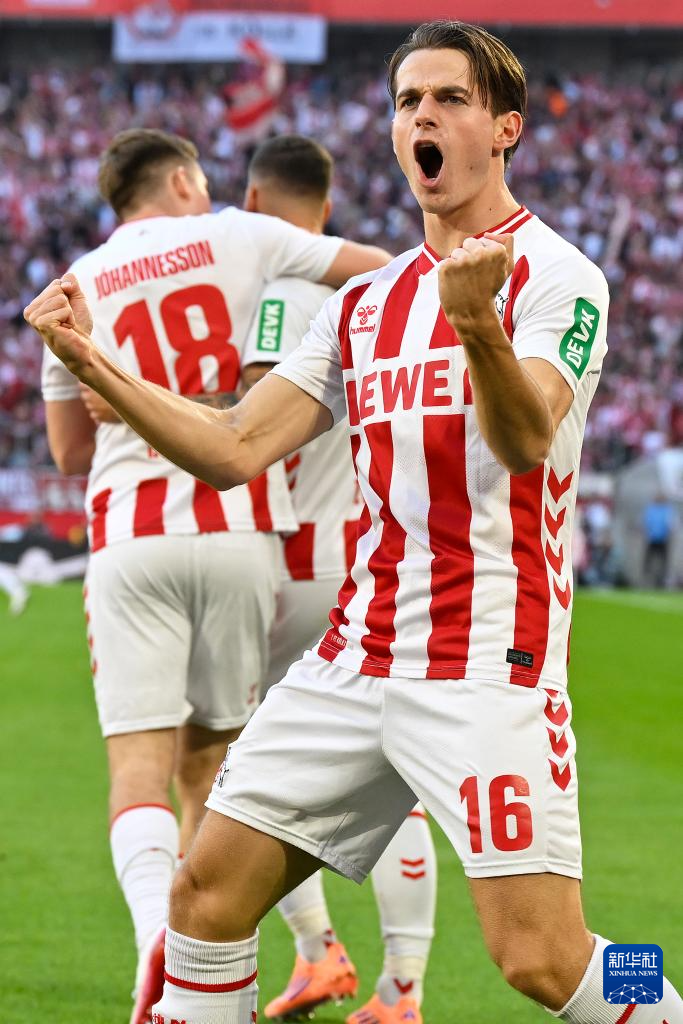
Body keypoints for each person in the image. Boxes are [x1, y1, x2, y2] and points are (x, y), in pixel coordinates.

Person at [26, 21, 683, 1024]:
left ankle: (664, 1000)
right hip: (354, 656)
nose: (423, 116)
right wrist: (90, 361)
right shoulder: (362, 305)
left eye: (449, 99)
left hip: (483, 662)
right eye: (407, 101)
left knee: (541, 956)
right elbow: (235, 443)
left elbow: (523, 440)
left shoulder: (560, 276)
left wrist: (475, 323)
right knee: (204, 898)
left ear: (504, 128)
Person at [39, 127, 390, 1024]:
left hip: (132, 537)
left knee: (139, 770)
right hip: (240, 530)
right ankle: (235, 968)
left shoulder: (74, 284)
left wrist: (121, 392)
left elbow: (69, 453)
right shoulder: (239, 234)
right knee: (218, 772)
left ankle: (156, 948)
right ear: (186, 179)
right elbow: (384, 271)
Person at [241, 134, 437, 1024]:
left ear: (254, 205)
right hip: (369, 565)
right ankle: (402, 988)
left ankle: (318, 951)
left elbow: (251, 411)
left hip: (290, 562)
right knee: (395, 778)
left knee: (241, 774)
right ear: (326, 206)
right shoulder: (380, 298)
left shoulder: (285, 290)